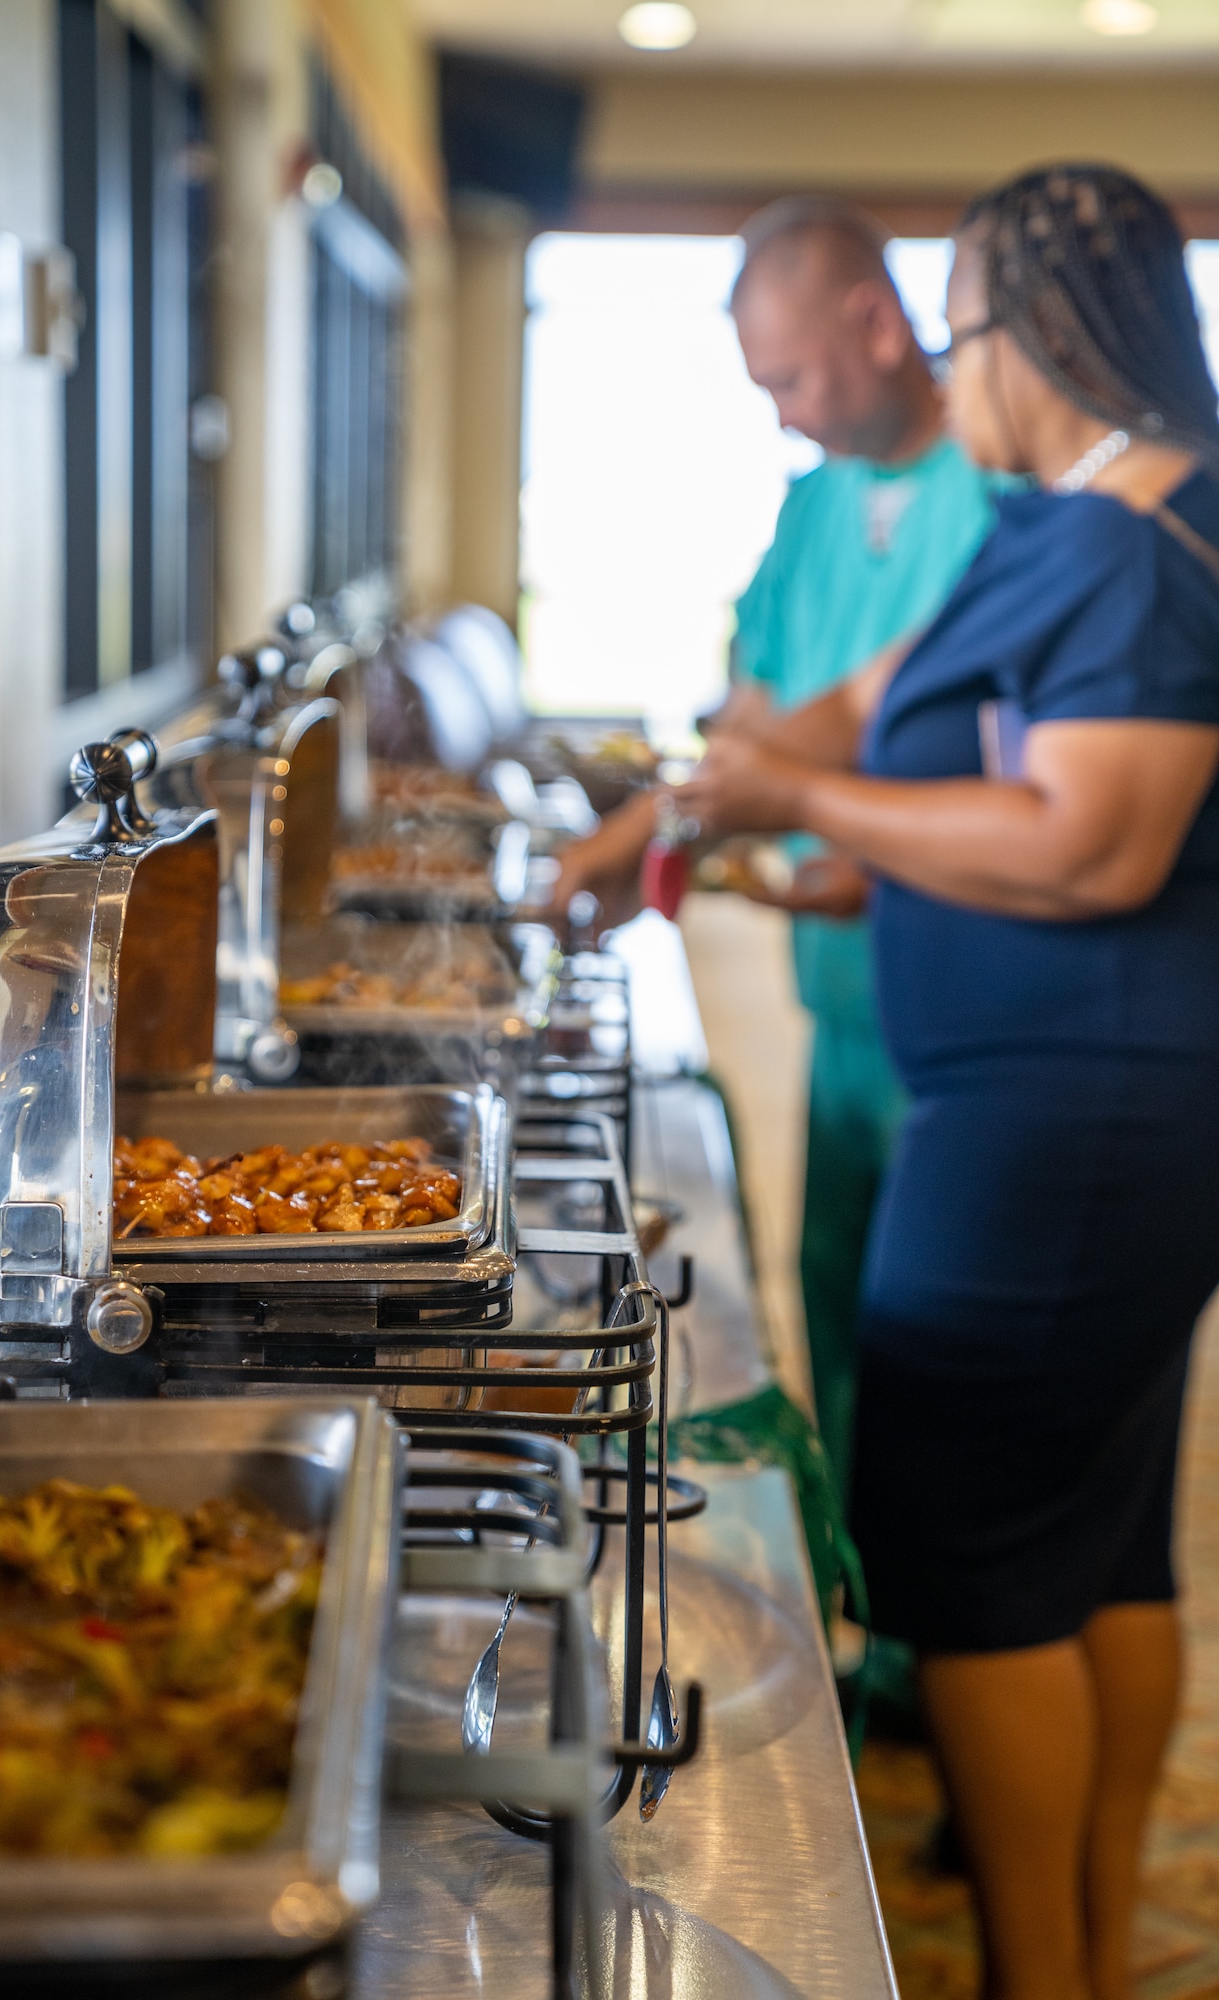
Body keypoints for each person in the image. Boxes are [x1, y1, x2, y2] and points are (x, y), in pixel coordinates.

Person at [672, 162, 1219, 2000]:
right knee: (1103, 1544)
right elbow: (948, 747)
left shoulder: (1118, 539)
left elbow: (1090, 848)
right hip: (1126, 1107)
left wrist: (808, 801)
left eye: (964, 321)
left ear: (1027, 331)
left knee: (969, 1545)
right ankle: (1074, 1933)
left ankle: (1045, 1970)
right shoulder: (1131, 515)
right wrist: (812, 826)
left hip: (1061, 1119)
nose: (953, 363)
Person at [553, 197, 998, 1503]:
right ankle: (860, 1600)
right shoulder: (812, 512)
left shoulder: (997, 488)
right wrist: (619, 853)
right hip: (841, 992)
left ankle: (943, 1643)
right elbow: (755, 726)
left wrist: (852, 846)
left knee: (948, 1333)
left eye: (791, 378)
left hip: (964, 983)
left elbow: (985, 738)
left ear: (875, 321)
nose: (784, 413)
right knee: (842, 1300)